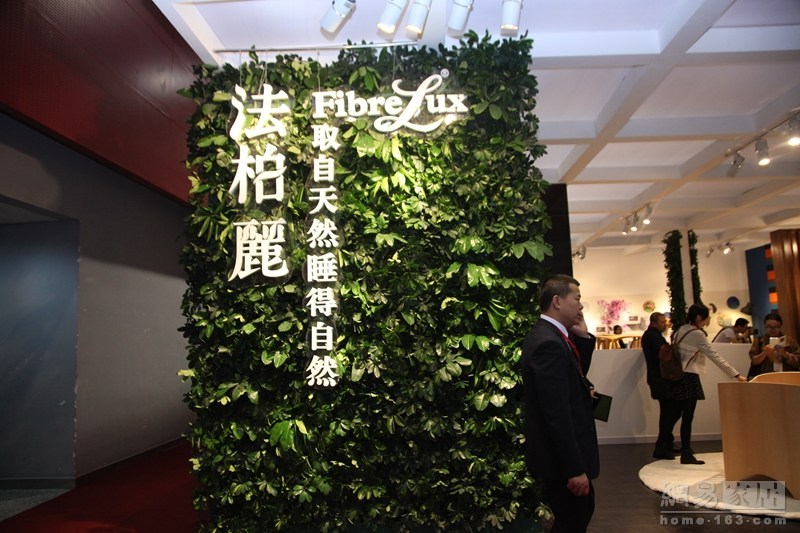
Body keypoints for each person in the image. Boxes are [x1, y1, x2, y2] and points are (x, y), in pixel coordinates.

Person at [521, 275, 598, 532]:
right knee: (572, 521)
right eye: (576, 298)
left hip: (562, 460)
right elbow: (556, 414)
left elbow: (573, 376)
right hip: (561, 463)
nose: (581, 305)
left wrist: (583, 338)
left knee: (578, 515)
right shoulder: (548, 343)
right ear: (557, 301)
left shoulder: (553, 336)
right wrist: (574, 469)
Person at [673, 304, 747, 464]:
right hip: (689, 377)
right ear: (699, 317)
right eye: (707, 318)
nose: (708, 321)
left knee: (679, 415)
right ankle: (686, 452)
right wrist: (735, 374)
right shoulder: (697, 334)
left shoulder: (681, 330)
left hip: (677, 377)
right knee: (688, 417)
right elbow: (714, 356)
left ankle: (680, 448)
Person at [641, 312, 681, 460]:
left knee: (669, 411)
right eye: (662, 322)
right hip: (660, 378)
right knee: (669, 412)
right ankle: (662, 446)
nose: (665, 324)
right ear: (654, 322)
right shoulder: (652, 336)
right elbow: (663, 354)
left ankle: (666, 443)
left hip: (658, 378)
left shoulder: (652, 335)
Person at [747, 312, 800, 379]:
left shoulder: (789, 341)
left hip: (787, 377)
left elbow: (798, 361)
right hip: (765, 377)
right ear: (765, 326)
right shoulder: (759, 341)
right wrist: (765, 353)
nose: (772, 329)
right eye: (769, 327)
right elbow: (754, 361)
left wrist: (785, 354)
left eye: (776, 327)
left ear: (780, 326)